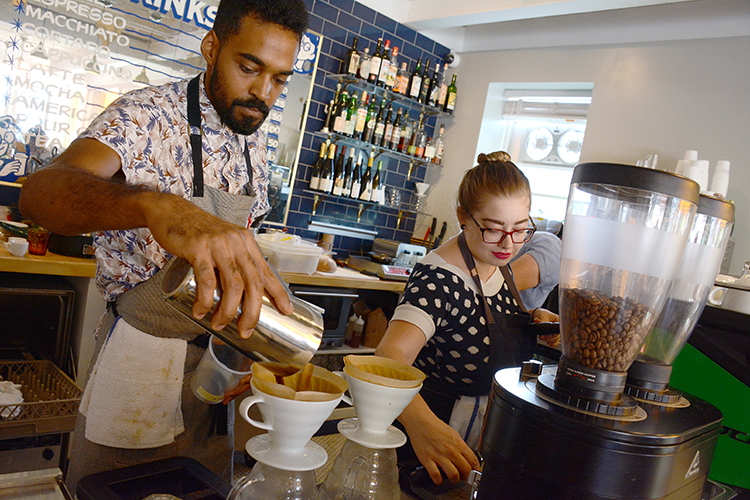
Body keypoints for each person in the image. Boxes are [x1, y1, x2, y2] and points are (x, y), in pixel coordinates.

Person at [18, 0, 308, 490]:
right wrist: (157, 207)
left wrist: (242, 356)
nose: (263, 93)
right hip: (140, 366)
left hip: (217, 373)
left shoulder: (250, 136)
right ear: (211, 48)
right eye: (249, 67)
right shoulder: (146, 114)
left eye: (279, 79)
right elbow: (40, 194)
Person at [375, 152, 559, 486]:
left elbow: (472, 319)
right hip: (422, 458)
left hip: (475, 449)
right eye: (493, 229)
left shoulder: (496, 262)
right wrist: (421, 426)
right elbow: (389, 357)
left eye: (520, 229)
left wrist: (532, 319)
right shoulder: (438, 279)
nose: (508, 243)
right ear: (463, 216)